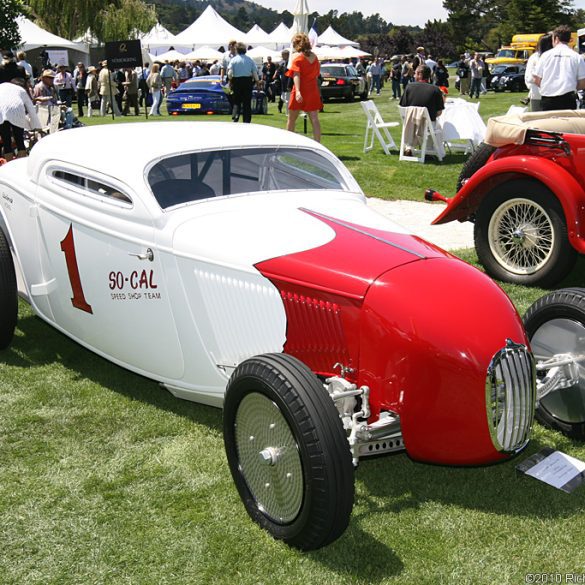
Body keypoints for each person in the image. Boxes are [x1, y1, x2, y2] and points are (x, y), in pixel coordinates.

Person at [534, 25, 585, 111]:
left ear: (556, 38)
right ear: (569, 39)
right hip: (568, 99)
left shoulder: (545, 55)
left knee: (549, 124)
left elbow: (536, 79)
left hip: (548, 99)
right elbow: (582, 83)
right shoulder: (577, 57)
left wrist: (548, 86)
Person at [286, 32, 322, 142]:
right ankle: (318, 144)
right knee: (314, 119)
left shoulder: (297, 58)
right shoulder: (315, 57)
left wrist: (297, 91)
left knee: (291, 119)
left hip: (300, 90)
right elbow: (316, 74)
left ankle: (288, 143)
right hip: (312, 90)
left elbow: (296, 75)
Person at [0, 77, 42, 161]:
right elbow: (31, 109)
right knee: (19, 140)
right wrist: (36, 126)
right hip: (17, 111)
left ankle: (9, 164)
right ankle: (21, 162)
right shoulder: (21, 90)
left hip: (1, 110)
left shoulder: (2, 86)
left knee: (6, 141)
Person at [227, 42, 260, 123]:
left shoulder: (233, 60)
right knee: (247, 102)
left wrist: (230, 80)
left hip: (237, 82)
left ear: (237, 50)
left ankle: (235, 117)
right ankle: (247, 120)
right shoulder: (250, 60)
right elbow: (255, 73)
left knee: (236, 101)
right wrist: (257, 82)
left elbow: (229, 73)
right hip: (247, 82)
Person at [525, 34, 553, 112]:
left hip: (552, 95)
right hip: (537, 95)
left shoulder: (554, 57)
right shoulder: (534, 58)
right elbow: (529, 78)